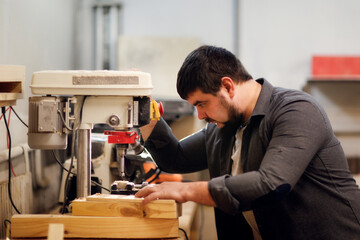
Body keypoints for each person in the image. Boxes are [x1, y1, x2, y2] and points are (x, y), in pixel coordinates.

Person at [135, 45, 360, 239]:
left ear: (228, 86)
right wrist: (144, 111)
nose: (200, 116)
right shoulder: (221, 129)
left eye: (202, 104)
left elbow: (271, 184)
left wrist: (186, 191)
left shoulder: (296, 110)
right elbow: (176, 158)